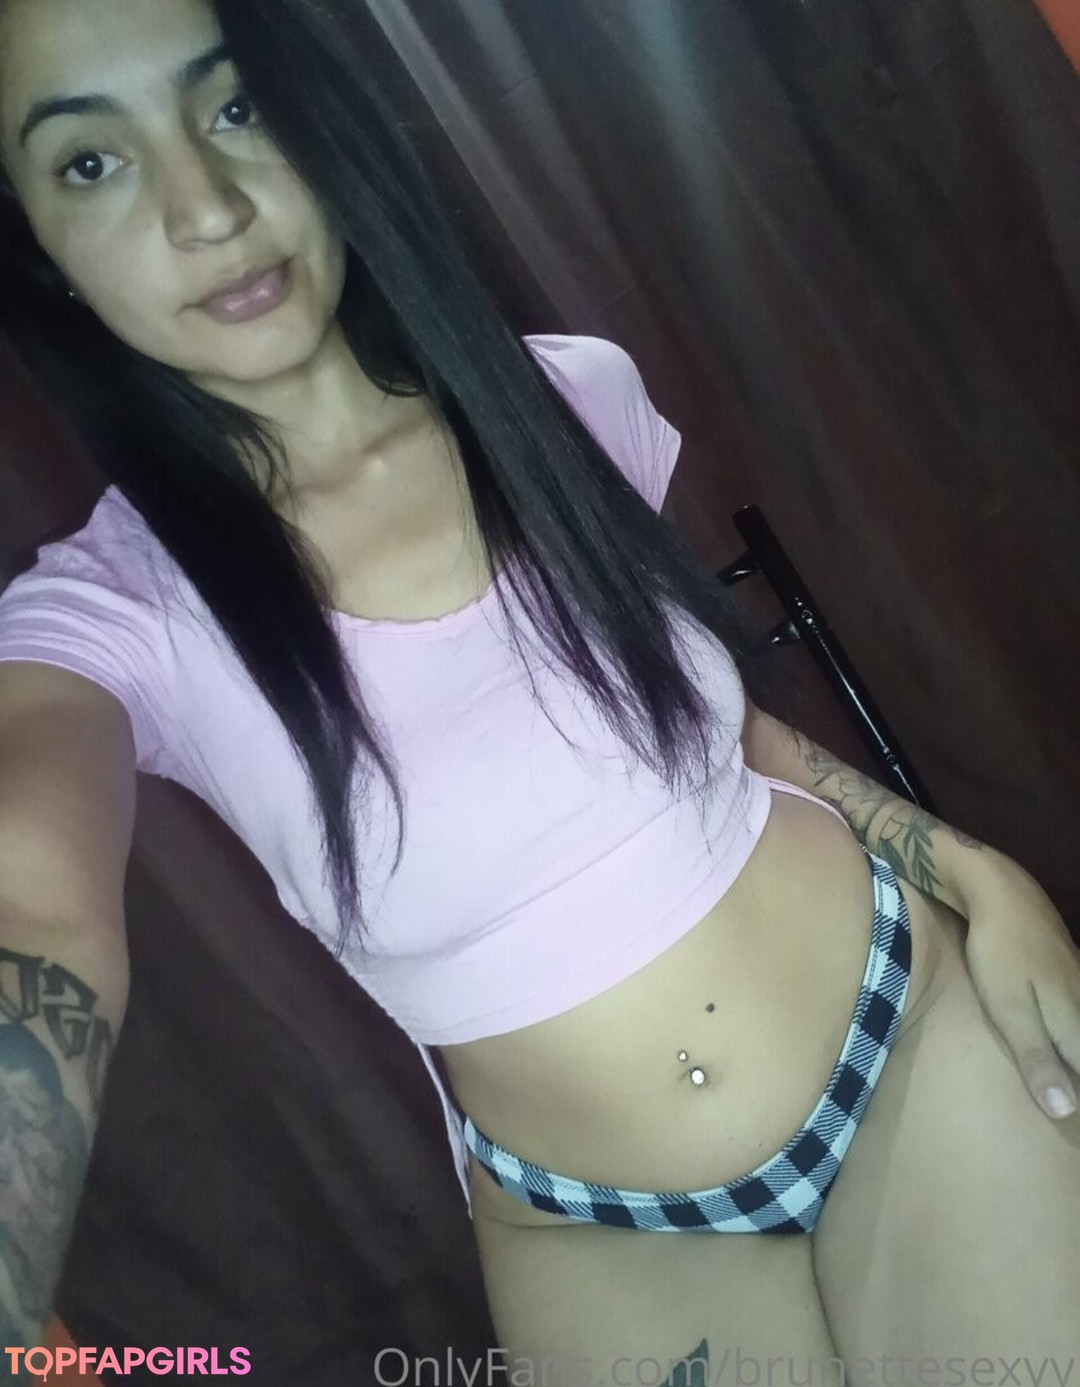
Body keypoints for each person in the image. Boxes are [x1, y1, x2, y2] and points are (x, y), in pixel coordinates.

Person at [0, 0, 1077, 1377]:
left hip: (912, 1036)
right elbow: (33, 912)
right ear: (41, 246)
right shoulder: (110, 615)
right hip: (601, 1232)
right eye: (91, 161)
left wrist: (982, 876)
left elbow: (716, 739)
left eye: (236, 105)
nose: (205, 205)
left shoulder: (564, 398)